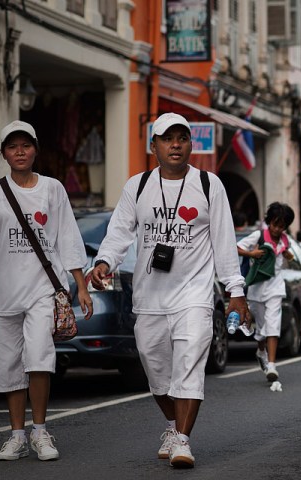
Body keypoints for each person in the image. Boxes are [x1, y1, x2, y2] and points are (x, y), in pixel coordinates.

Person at [89, 112, 248, 469]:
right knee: (156, 370)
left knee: (189, 367)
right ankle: (173, 426)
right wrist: (103, 262)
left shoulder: (209, 185)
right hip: (150, 297)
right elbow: (118, 232)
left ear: (191, 144)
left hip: (194, 295)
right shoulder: (138, 186)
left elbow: (224, 242)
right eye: (167, 138)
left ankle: (183, 441)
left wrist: (235, 289)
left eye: (182, 138)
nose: (175, 145)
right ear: (154, 146)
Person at [0, 121, 93, 461]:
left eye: (26, 145)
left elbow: (68, 236)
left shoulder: (53, 189)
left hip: (43, 288)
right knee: (9, 365)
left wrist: (80, 285)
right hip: (5, 290)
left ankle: (40, 431)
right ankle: (16, 435)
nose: (20, 151)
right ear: (4, 153)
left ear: (36, 149)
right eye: (13, 146)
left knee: (39, 358)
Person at [237, 202, 295, 382]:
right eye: (275, 224)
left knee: (273, 325)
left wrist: (288, 256)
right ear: (269, 222)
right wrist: (251, 254)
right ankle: (261, 350)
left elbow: (288, 258)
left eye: (282, 226)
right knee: (262, 328)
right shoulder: (259, 235)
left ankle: (271, 365)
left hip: (275, 288)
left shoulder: (285, 240)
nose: (278, 229)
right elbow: (235, 247)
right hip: (257, 288)